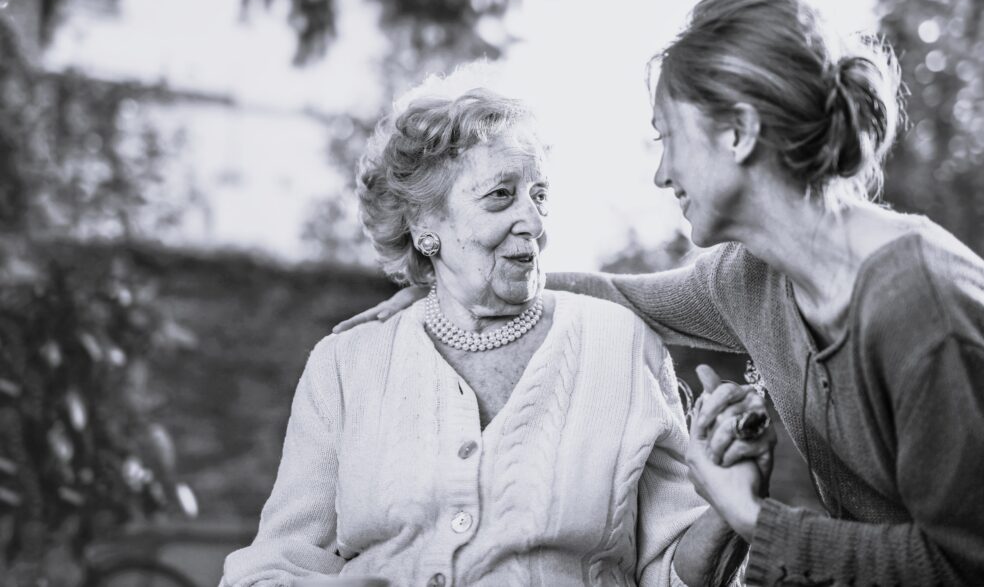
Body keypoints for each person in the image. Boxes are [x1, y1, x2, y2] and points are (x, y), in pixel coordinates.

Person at [336, 0, 984, 585]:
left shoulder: (919, 305)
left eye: (668, 138)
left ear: (739, 132)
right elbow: (617, 295)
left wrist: (753, 518)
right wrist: (450, 291)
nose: (663, 174)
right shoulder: (755, 279)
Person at [221, 82, 776, 587]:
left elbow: (673, 574)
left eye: (539, 195)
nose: (533, 222)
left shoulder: (621, 346)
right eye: (500, 196)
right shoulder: (347, 365)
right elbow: (273, 569)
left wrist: (730, 506)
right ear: (424, 226)